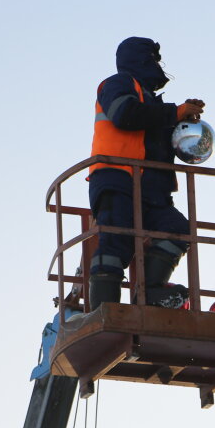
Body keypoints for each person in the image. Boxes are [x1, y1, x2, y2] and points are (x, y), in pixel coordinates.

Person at [87, 37, 205, 310]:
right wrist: (174, 113)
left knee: (175, 229)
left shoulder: (149, 99)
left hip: (151, 186)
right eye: (153, 58)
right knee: (117, 241)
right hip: (117, 176)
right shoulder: (117, 84)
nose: (158, 65)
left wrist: (181, 125)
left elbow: (154, 135)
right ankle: (104, 311)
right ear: (140, 59)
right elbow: (124, 114)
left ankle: (150, 294)